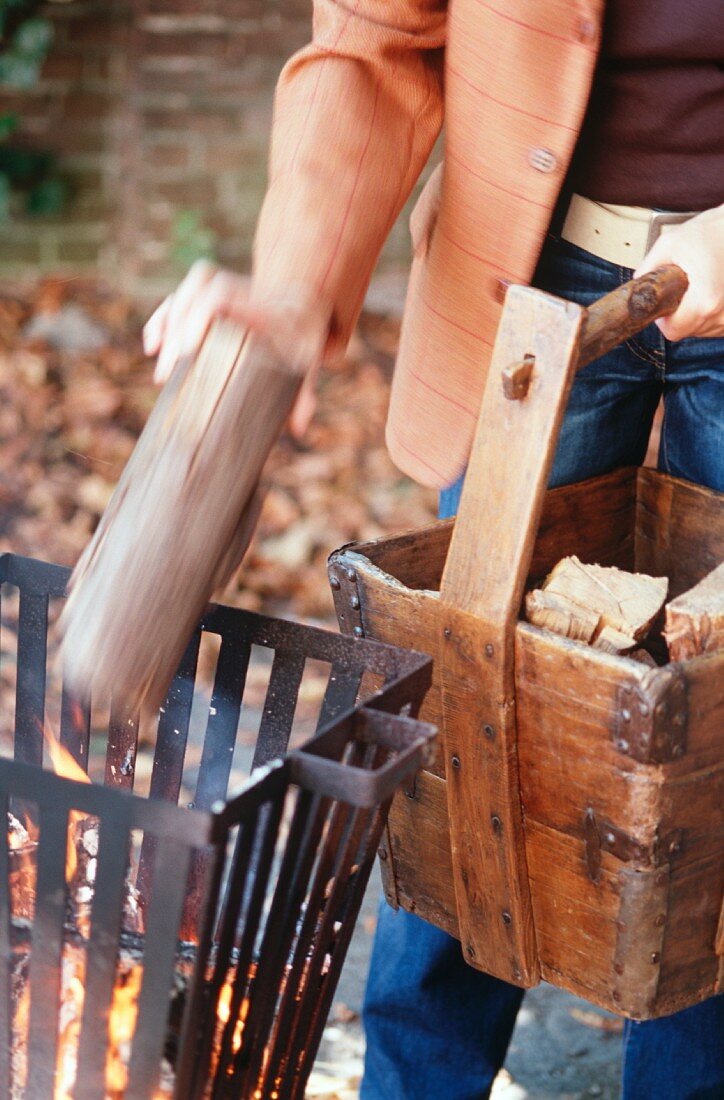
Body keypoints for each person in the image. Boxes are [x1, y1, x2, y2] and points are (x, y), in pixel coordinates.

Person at [143, 2, 724, 1097]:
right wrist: (296, 275)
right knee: (468, 714)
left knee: (721, 749)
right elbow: (374, 37)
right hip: (537, 282)